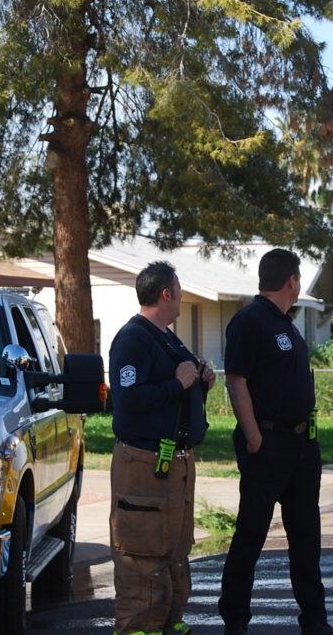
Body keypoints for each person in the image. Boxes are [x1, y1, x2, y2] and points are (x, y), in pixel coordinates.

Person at [218, 248, 333, 635]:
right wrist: (254, 436)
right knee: (251, 535)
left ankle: (315, 621)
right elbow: (236, 380)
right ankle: (235, 621)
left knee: (306, 537)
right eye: (298, 278)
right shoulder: (250, 321)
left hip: (301, 446)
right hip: (268, 444)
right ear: (292, 281)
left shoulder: (286, 322)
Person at [109, 261, 216, 635]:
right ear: (166, 294)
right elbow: (129, 399)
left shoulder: (168, 339)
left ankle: (168, 622)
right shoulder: (133, 339)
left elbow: (177, 389)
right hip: (143, 463)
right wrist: (178, 384)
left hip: (173, 464)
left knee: (173, 547)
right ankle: (138, 628)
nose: (183, 297)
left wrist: (200, 382)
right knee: (143, 549)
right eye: (180, 290)